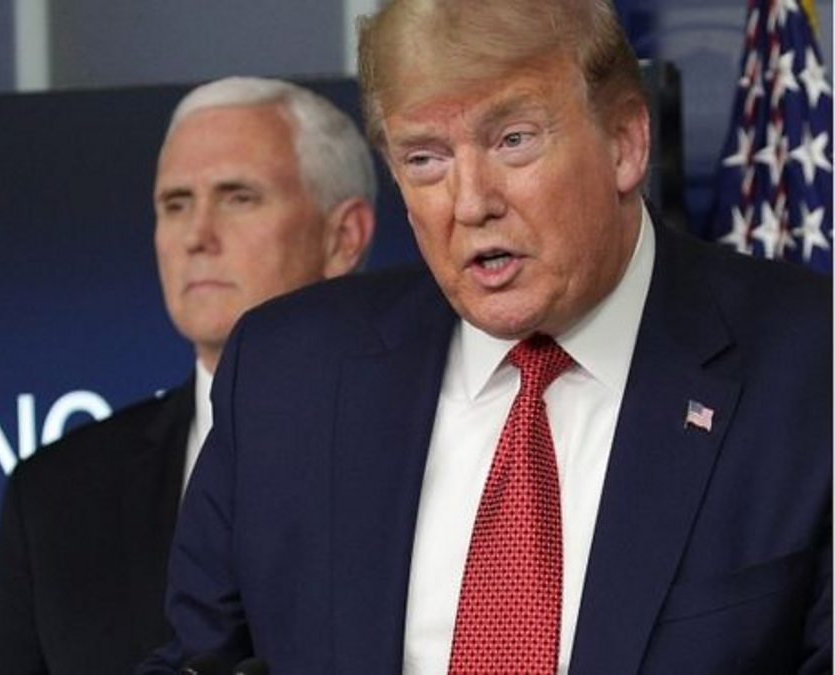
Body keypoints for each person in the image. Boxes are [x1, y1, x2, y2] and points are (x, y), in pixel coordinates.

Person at [139, 0, 832, 672]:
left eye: (513, 141)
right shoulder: (287, 374)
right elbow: (198, 657)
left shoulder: (809, 368)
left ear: (624, 142)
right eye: (425, 159)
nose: (471, 202)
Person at [0, 76, 377, 674]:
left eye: (238, 197)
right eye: (176, 204)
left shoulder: (429, 447)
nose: (197, 236)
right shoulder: (54, 497)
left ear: (342, 237)